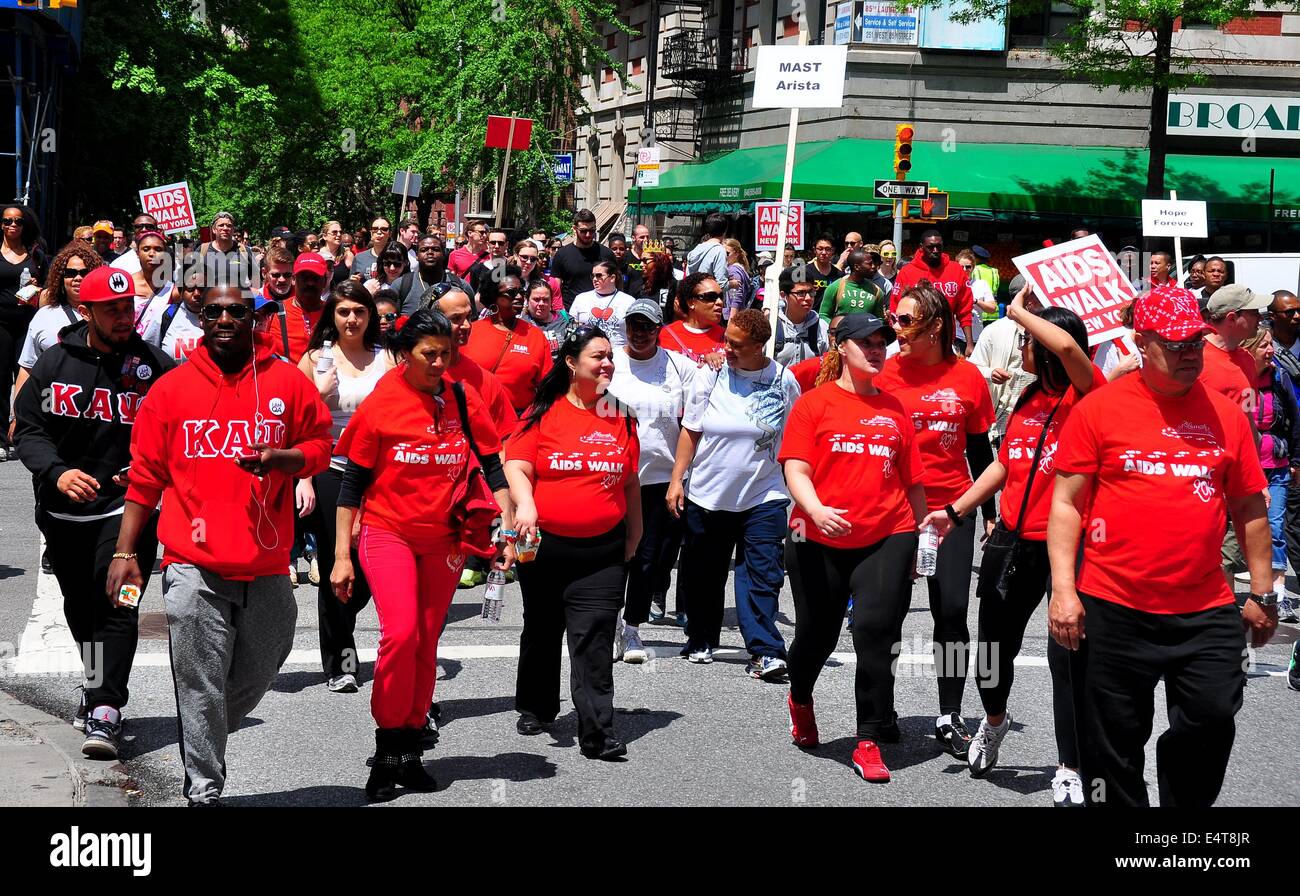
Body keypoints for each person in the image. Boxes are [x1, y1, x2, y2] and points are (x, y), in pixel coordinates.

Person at [1047, 287, 1277, 807]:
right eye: (1175, 344)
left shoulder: (1225, 415)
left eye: (1196, 341)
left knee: (1213, 718)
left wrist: (1263, 593)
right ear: (1141, 342)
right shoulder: (1099, 409)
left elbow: (1249, 508)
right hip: (1113, 605)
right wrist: (1064, 591)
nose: (1190, 353)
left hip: (1204, 607)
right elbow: (1065, 503)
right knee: (1112, 745)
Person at [107, 284, 333, 805]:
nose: (226, 318)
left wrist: (284, 460)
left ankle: (202, 728)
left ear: (253, 317)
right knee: (199, 679)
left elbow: (321, 446)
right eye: (215, 311)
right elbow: (144, 478)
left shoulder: (285, 381)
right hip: (191, 561)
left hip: (268, 559)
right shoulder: (170, 388)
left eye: (237, 310)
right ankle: (204, 787)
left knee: (263, 662)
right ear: (201, 317)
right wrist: (125, 554)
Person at [921, 286, 1101, 805]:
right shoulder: (1026, 399)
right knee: (993, 651)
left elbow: (1071, 353)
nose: (1020, 344)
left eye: (1025, 338)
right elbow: (1006, 463)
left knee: (1068, 658)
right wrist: (956, 511)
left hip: (1069, 547)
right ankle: (994, 721)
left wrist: (1019, 308)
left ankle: (1070, 765)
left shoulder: (1088, 394)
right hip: (1011, 541)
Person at [332, 308, 509, 799]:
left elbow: (493, 465)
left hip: (445, 539)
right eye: (429, 354)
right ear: (404, 354)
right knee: (402, 633)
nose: (438, 363)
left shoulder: (460, 396)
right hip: (388, 532)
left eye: (446, 354)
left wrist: (510, 524)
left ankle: (410, 750)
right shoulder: (381, 403)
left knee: (427, 641)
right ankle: (386, 747)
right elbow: (351, 485)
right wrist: (341, 556)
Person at [14, 265, 174, 758]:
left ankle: (106, 706)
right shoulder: (56, 363)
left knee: (120, 602)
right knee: (81, 608)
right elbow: (27, 430)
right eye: (113, 310)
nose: (125, 317)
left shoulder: (157, 366)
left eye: (129, 308)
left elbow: (180, 430)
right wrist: (57, 472)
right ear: (88, 312)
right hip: (64, 516)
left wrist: (149, 470)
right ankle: (97, 680)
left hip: (130, 513)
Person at [781, 314, 925, 783]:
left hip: (887, 532)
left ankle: (867, 739)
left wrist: (922, 539)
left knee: (875, 633)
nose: (877, 348)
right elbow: (796, 470)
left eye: (883, 341)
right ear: (841, 347)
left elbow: (913, 482)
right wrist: (817, 509)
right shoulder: (814, 404)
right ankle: (800, 696)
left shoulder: (896, 408)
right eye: (866, 341)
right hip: (816, 536)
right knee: (816, 637)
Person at [507, 324, 641, 759]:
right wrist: (524, 506)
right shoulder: (542, 412)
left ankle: (598, 732)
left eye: (609, 356)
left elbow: (631, 483)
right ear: (571, 362)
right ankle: (537, 705)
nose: (607, 364)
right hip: (543, 546)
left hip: (602, 550)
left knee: (595, 639)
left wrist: (635, 533)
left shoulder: (622, 415)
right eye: (597, 356)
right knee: (543, 628)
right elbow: (516, 467)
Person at [876, 283, 995, 759]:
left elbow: (981, 450)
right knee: (887, 614)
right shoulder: (883, 371)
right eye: (895, 318)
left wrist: (989, 515)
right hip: (895, 511)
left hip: (953, 511)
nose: (896, 328)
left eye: (905, 321)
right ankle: (880, 707)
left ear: (936, 326)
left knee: (950, 614)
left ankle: (949, 713)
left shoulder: (968, 378)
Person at [667, 308, 801, 677]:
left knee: (762, 574)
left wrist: (803, 491)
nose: (725, 348)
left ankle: (765, 650)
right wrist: (677, 480)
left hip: (764, 495)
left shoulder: (784, 381)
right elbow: (691, 430)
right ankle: (701, 636)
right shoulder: (709, 376)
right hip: (709, 495)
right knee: (704, 574)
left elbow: (796, 439)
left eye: (736, 344)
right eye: (725, 339)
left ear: (760, 346)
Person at [297, 281, 396, 693]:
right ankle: (342, 660)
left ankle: (347, 629)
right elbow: (296, 424)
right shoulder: (315, 358)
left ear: (370, 314)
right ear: (331, 317)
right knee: (340, 562)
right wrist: (303, 478)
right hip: (330, 468)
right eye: (343, 312)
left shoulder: (387, 357)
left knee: (369, 567)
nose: (351, 319)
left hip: (379, 474)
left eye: (359, 310)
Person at [606, 298, 697, 658]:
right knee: (614, 554)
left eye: (647, 327)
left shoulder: (678, 366)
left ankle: (632, 627)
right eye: (633, 326)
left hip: (658, 477)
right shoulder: (609, 360)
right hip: (612, 475)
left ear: (659, 329)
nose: (639, 334)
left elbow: (696, 416)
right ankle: (609, 622)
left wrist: (717, 358)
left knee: (647, 558)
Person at [1239, 325, 1300, 610]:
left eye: (1271, 344)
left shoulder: (1280, 378)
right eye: (1264, 345)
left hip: (1276, 466)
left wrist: (1296, 462)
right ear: (1249, 349)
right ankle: (1252, 587)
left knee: (1274, 527)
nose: (1271, 350)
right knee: (1243, 531)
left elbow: (1296, 422)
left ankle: (1277, 595)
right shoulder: (1235, 378)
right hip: (1242, 470)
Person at [15, 243, 101, 410]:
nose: (78, 278)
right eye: (70, 273)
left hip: (93, 408)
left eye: (84, 273)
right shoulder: (44, 316)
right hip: (48, 406)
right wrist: (16, 415)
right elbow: (26, 369)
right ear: (61, 278)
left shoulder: (105, 316)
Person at [462, 266, 553, 415]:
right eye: (511, 292)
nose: (518, 297)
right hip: (477, 415)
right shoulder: (470, 332)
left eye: (521, 292)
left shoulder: (536, 336)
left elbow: (547, 386)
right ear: (494, 296)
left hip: (519, 420)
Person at [968, 275, 1038, 445]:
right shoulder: (995, 330)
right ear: (1027, 299)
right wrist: (991, 373)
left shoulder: (1048, 329)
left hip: (1038, 413)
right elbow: (972, 369)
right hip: (1004, 418)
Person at [0, 204, 44, 457]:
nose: (12, 225)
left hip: (27, 321)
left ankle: (22, 433)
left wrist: (37, 288)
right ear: (1, 225)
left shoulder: (35, 254)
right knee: (1, 378)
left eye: (17, 221)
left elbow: (50, 286)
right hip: (1, 323)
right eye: (7, 221)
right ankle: (0, 438)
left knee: (26, 378)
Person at [889, 230, 975, 356]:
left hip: (945, 342)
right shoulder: (907, 272)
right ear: (921, 247)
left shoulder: (956, 270)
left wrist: (969, 344)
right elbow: (895, 309)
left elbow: (965, 310)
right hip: (913, 342)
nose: (935, 250)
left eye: (938, 246)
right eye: (930, 247)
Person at [266, 251, 329, 364]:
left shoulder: (333, 313)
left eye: (315, 278)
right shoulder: (274, 312)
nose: (310, 283)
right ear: (294, 280)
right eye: (304, 278)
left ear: (324, 281)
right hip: (287, 379)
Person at [140, 262, 206, 363]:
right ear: (181, 290)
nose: (197, 294)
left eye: (202, 288)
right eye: (190, 288)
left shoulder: (219, 318)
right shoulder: (165, 315)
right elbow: (148, 353)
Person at [550, 210, 615, 308]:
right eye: (583, 231)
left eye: (592, 230)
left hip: (603, 311)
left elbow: (616, 283)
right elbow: (556, 288)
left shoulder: (607, 254)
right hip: (570, 312)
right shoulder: (562, 254)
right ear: (574, 229)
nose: (588, 235)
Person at [660, 272, 725, 364]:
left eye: (721, 297)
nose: (719, 302)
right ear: (691, 303)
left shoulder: (728, 337)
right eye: (711, 297)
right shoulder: (666, 334)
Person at [569, 260, 635, 347]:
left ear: (612, 278)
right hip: (588, 352)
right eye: (593, 276)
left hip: (618, 353)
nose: (595, 279)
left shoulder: (628, 301)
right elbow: (571, 326)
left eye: (599, 275)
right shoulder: (581, 299)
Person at [774, 270, 829, 367]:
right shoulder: (771, 325)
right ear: (783, 295)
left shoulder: (822, 327)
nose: (808, 298)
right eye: (801, 293)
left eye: (811, 292)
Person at [817, 248, 886, 323]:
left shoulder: (877, 291)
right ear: (856, 267)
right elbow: (824, 315)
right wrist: (836, 329)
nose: (873, 266)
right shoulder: (835, 287)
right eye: (869, 264)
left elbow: (879, 319)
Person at [521, 280, 575, 359]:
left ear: (551, 301)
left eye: (545, 299)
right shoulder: (521, 324)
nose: (541, 304)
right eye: (536, 299)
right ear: (527, 300)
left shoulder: (566, 319)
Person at [957, 249, 996, 341]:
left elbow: (992, 309)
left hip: (976, 337)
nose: (964, 270)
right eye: (961, 267)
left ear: (973, 268)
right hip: (956, 336)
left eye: (968, 267)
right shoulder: (951, 285)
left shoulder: (981, 284)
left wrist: (976, 301)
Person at [514, 239, 562, 312]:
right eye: (524, 257)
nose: (528, 262)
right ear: (515, 256)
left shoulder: (550, 282)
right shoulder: (502, 279)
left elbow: (559, 311)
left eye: (533, 259)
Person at [636, 246, 678, 324]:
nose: (641, 265)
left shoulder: (674, 286)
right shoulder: (639, 286)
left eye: (645, 260)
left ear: (659, 261)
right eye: (641, 261)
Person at [686, 213, 729, 286]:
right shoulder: (719, 250)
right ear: (725, 231)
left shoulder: (697, 248)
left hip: (693, 294)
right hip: (708, 295)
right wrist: (732, 284)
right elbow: (721, 284)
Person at [807, 234, 845, 308]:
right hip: (811, 316)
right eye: (820, 249)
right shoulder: (805, 272)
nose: (824, 253)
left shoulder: (840, 275)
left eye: (827, 249)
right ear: (814, 250)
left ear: (833, 250)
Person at [350, 217, 392, 283]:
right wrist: (353, 282)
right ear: (371, 232)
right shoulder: (359, 258)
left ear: (390, 233)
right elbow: (352, 285)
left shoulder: (396, 257)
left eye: (384, 229)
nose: (379, 232)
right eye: (375, 229)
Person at [722, 238, 753, 321]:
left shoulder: (734, 270)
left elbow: (736, 296)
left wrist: (731, 319)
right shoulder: (740, 268)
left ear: (736, 254)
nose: (724, 256)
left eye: (727, 253)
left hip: (732, 316)